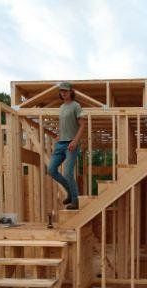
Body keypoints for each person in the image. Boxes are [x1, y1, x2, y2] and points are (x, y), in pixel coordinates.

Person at [48, 81, 85, 209]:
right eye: (61, 91)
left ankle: (75, 201)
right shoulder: (61, 107)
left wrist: (75, 141)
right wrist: (60, 134)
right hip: (60, 144)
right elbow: (65, 125)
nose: (63, 93)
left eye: (65, 91)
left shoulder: (76, 106)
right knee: (51, 170)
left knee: (68, 173)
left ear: (70, 92)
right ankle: (70, 192)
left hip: (71, 144)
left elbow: (82, 125)